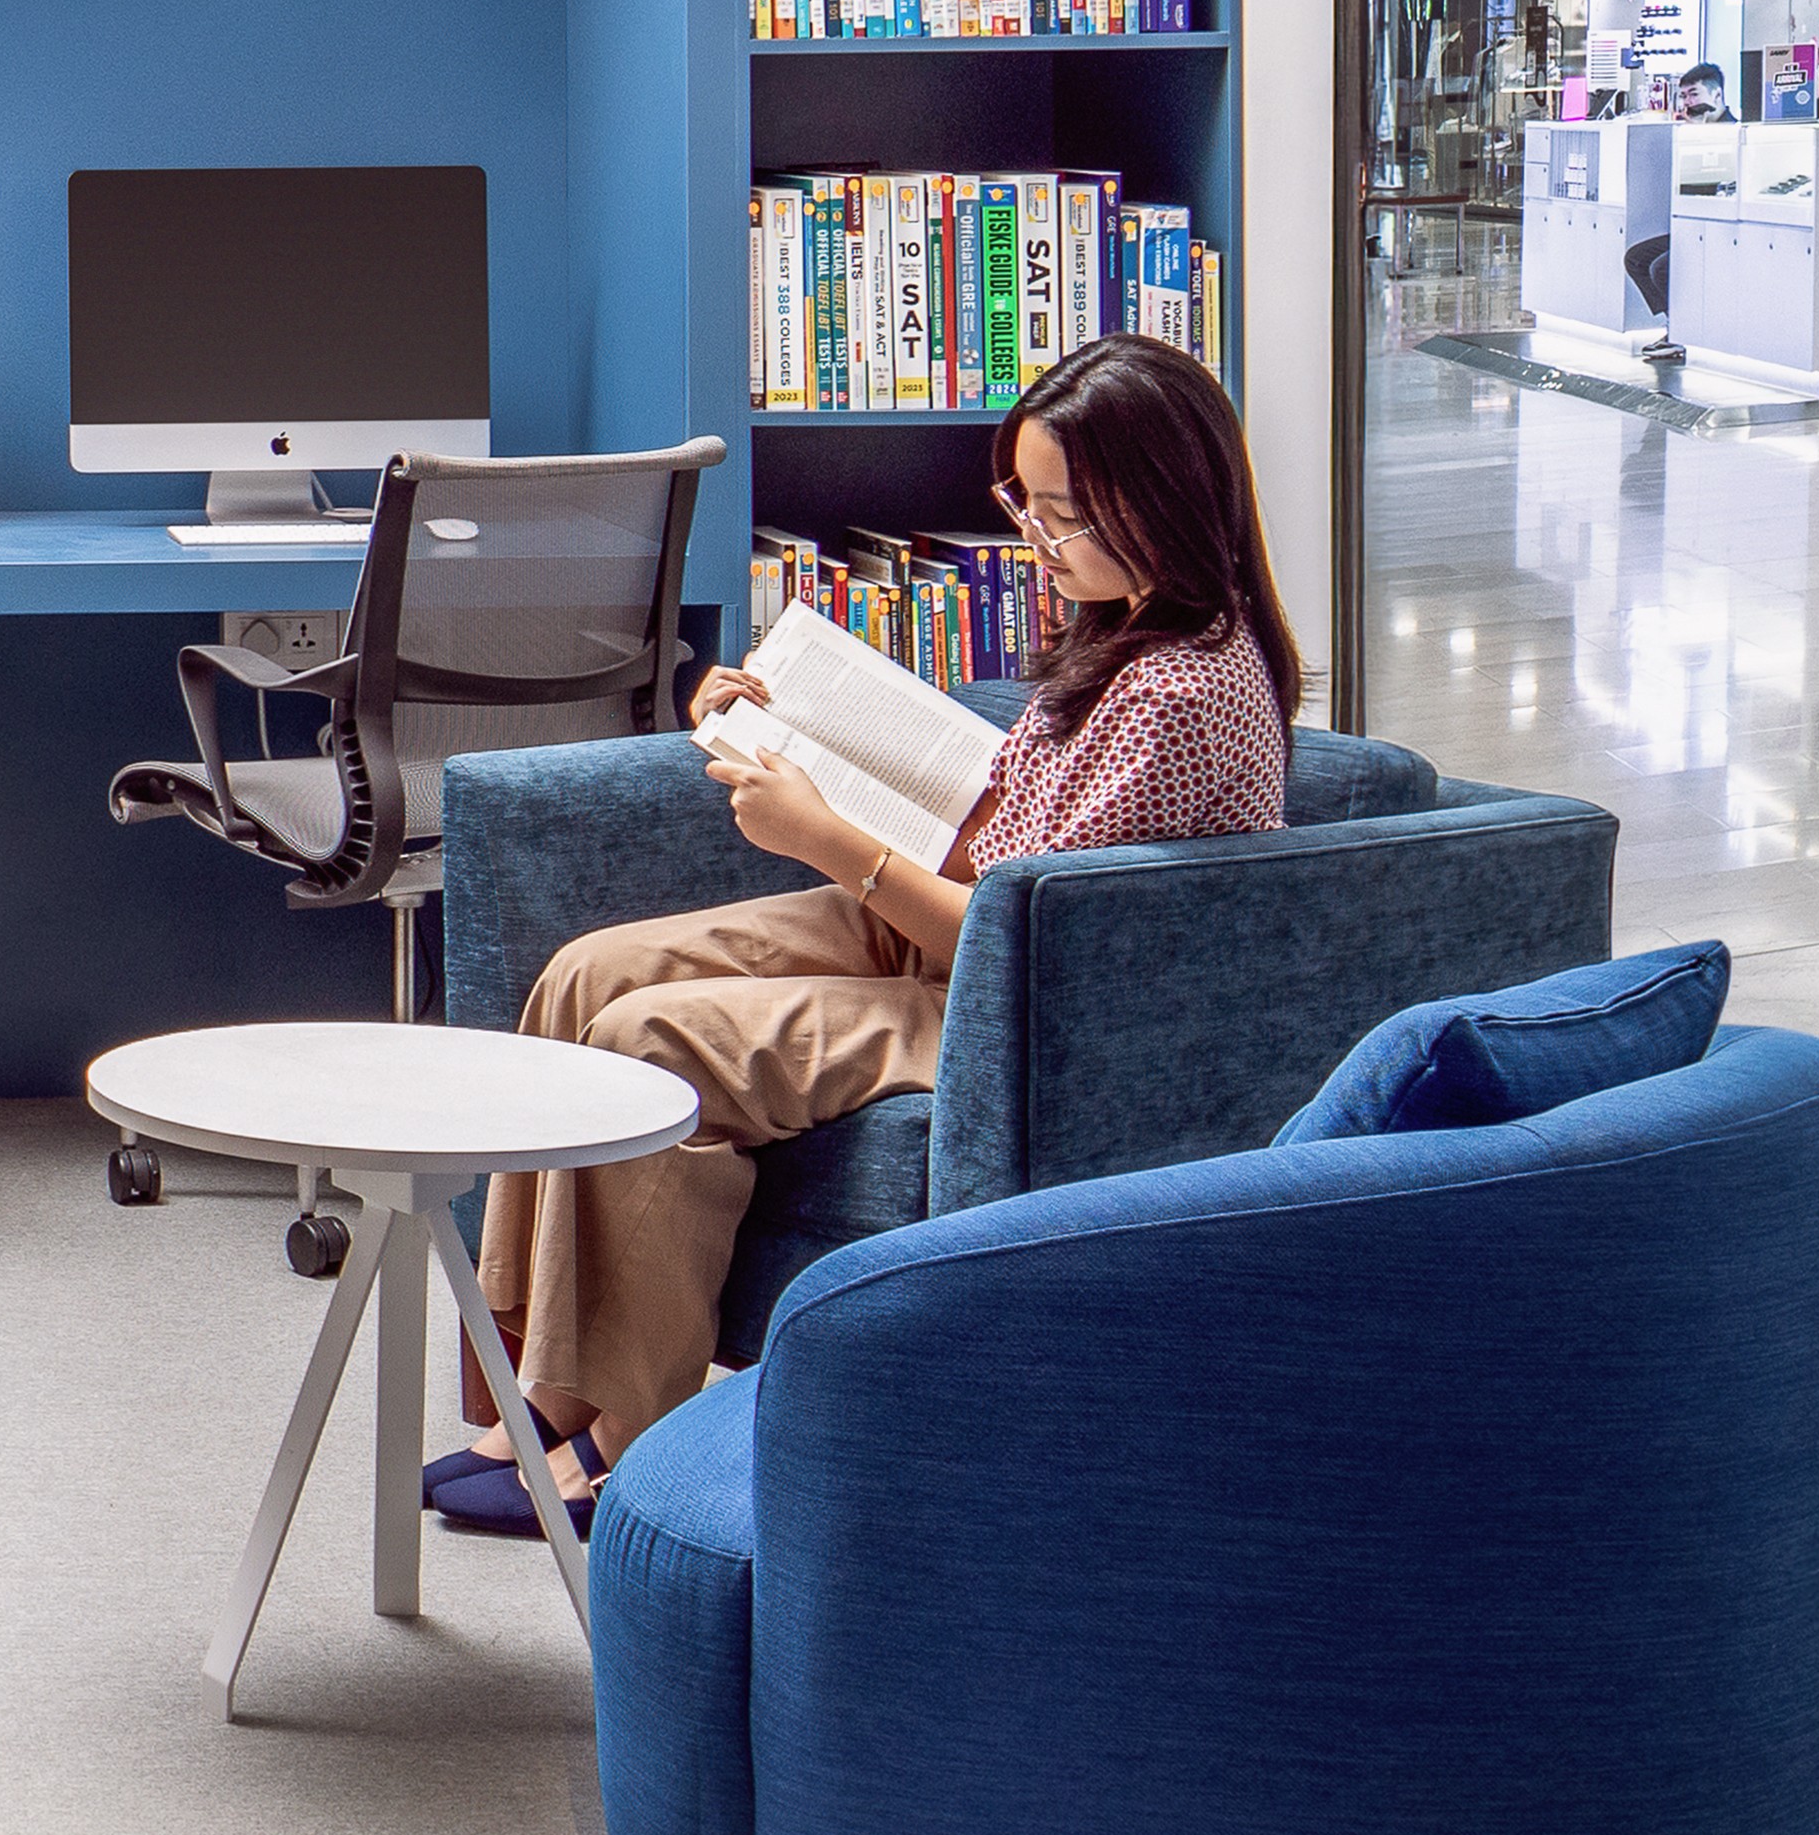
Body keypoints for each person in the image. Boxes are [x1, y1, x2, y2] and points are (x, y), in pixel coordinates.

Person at [443, 332, 1297, 1531]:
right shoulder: (1123, 632)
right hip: (950, 931)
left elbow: (1029, 936)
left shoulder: (1186, 696)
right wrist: (786, 726)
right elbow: (1004, 831)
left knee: (656, 1040)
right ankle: (544, 1383)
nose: (1037, 544)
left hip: (1019, 1005)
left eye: (1062, 515)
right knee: (588, 973)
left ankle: (628, 1449)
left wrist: (828, 836)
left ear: (1162, 500)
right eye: (1026, 507)